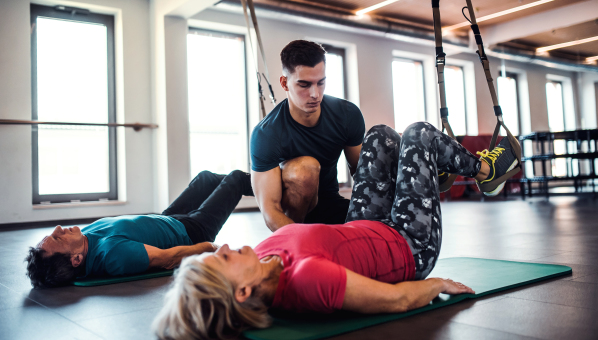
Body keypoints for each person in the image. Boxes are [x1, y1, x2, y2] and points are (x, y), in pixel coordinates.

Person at [152, 122, 519, 340]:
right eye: (222, 260)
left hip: (365, 224)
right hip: (409, 244)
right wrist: (438, 285)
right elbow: (395, 301)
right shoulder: (307, 280)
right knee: (418, 134)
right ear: (244, 290)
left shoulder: (262, 256)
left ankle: (427, 169)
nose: (225, 247)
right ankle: (486, 174)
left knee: (379, 137)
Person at [25, 170, 254, 288]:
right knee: (235, 179)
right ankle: (282, 190)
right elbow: (167, 258)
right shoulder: (113, 255)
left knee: (205, 178)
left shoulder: (84, 239)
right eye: (58, 239)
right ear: (76, 259)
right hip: (191, 231)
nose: (58, 228)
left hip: (168, 219)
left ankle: (264, 186)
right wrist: (207, 246)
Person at [251, 40, 365, 232]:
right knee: (306, 169)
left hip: (330, 203)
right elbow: (271, 212)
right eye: (304, 85)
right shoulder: (267, 133)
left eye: (321, 82)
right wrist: (303, 240)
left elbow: (362, 176)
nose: (315, 94)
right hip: (291, 217)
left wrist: (370, 220)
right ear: (284, 83)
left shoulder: (347, 115)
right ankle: (293, 242)